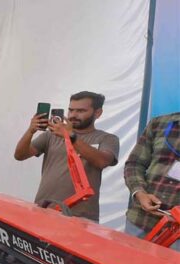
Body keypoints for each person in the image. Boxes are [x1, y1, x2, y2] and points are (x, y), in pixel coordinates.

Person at [14, 91, 119, 222]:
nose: (73, 115)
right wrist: (30, 131)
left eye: (81, 111)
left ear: (97, 113)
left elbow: (102, 161)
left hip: (81, 216)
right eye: (71, 110)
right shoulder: (51, 135)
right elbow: (20, 155)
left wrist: (70, 136)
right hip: (44, 209)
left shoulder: (107, 139)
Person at [123, 112, 180, 251]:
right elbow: (134, 164)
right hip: (140, 221)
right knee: (126, 263)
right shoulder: (159, 123)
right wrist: (140, 193)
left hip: (177, 234)